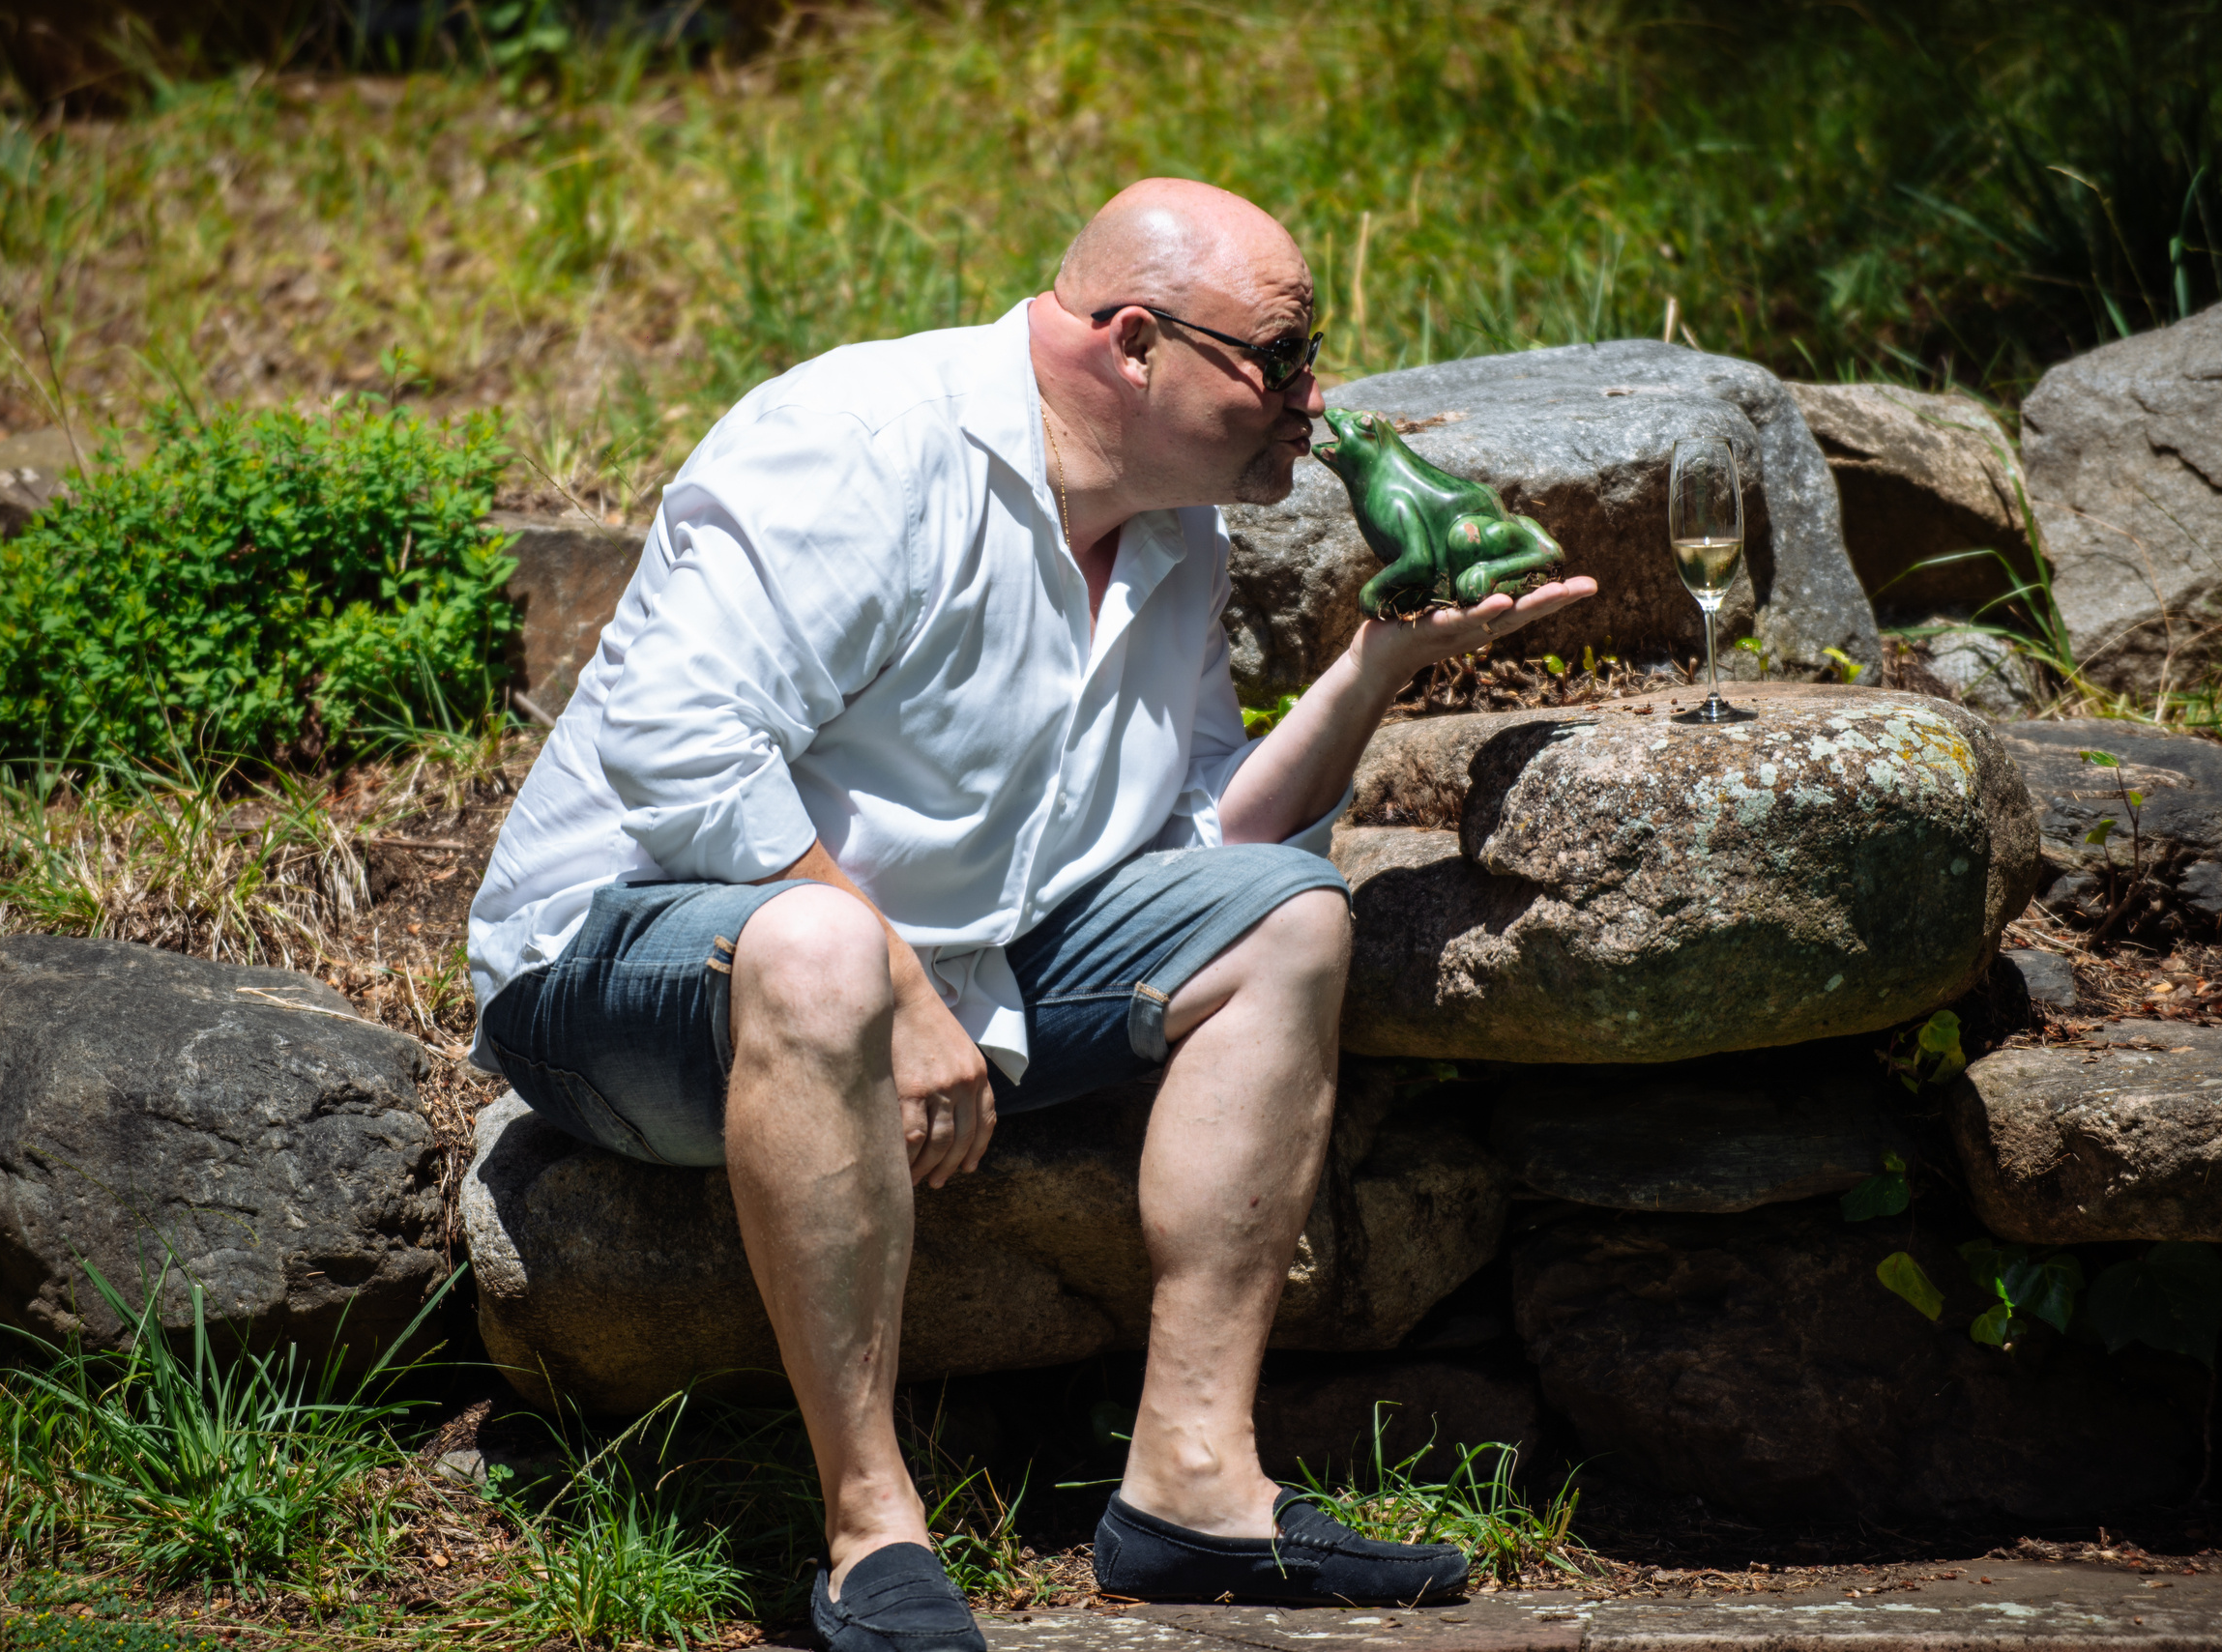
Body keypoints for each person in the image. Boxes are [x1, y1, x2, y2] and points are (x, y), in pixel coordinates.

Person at [466, 177, 1596, 1651]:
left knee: (1291, 919)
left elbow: (1196, 840)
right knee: (817, 951)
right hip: (626, 964)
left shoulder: (1174, 530)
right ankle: (872, 1536)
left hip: (960, 964)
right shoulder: (861, 443)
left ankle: (1192, 1489)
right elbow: (679, 755)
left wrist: (1380, 663)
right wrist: (897, 983)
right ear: (1136, 345)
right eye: (1282, 359)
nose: (1314, 402)